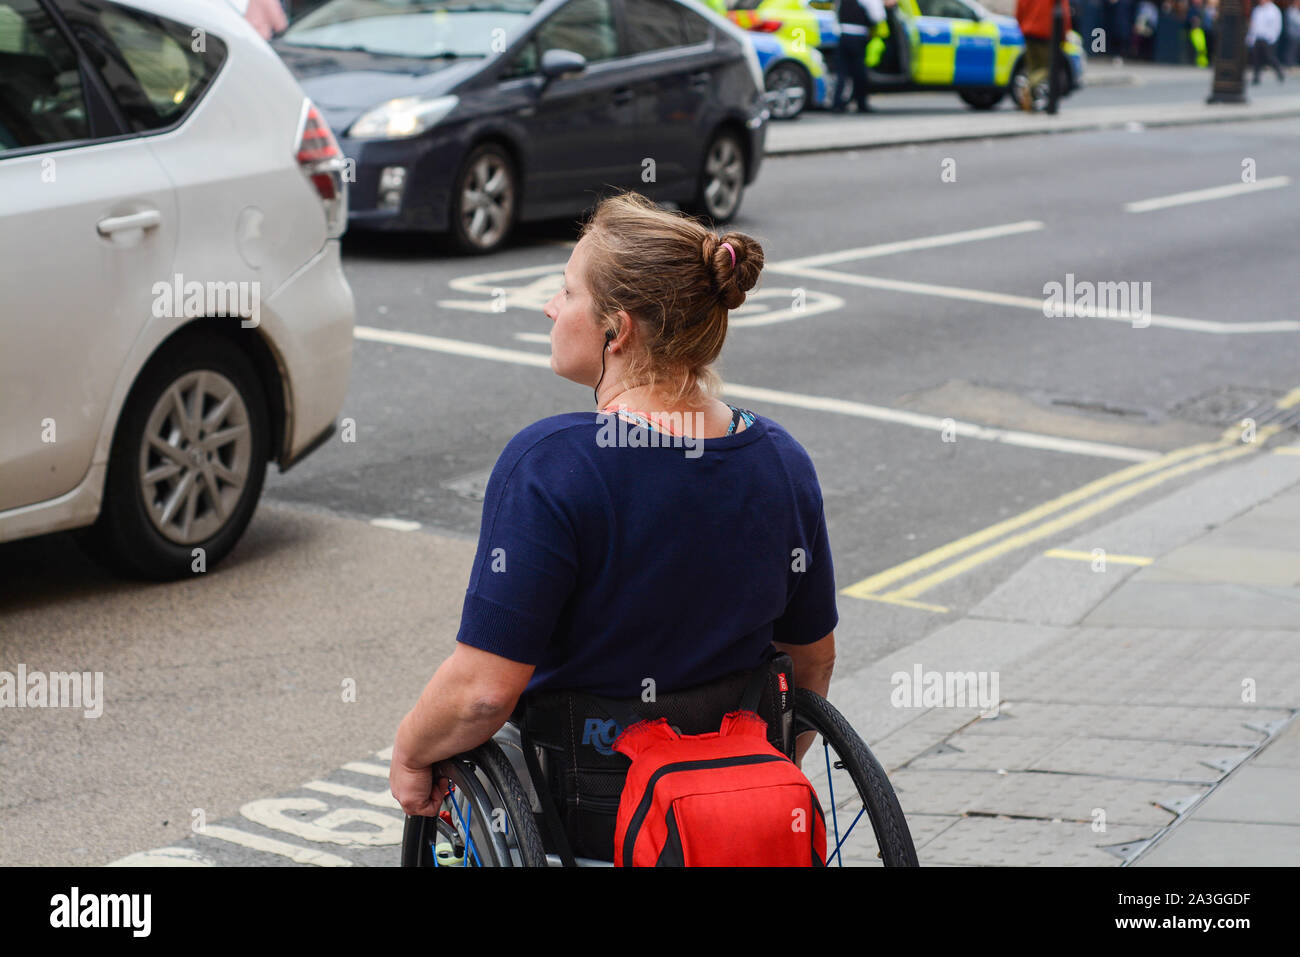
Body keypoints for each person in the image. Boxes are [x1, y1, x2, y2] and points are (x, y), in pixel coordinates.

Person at [388, 192, 840, 852]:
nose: (550, 307)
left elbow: (483, 694)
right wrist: (751, 785)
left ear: (616, 330)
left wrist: (408, 751)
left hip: (591, 812)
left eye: (567, 292)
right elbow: (812, 659)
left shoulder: (552, 465)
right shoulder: (781, 460)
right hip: (732, 806)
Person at [833, 0, 887, 113]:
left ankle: (838, 103)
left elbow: (836, 12)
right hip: (858, 36)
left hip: (843, 35)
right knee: (859, 72)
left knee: (842, 72)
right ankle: (861, 103)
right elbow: (878, 16)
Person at [1016, 0, 1072, 109]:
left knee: (1032, 69)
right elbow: (1064, 13)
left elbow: (1019, 11)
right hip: (1047, 33)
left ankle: (1031, 95)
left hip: (1028, 33)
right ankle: (1030, 88)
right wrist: (1064, 35)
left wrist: (1023, 26)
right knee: (1049, 69)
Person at [1247, 0, 1286, 82]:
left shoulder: (1274, 10)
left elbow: (1277, 26)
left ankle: (1279, 72)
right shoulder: (1257, 9)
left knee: (1270, 57)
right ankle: (1256, 77)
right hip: (1258, 37)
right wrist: (1250, 37)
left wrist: (1272, 37)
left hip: (1268, 38)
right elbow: (1254, 25)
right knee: (1256, 59)